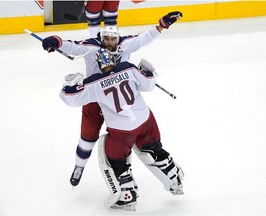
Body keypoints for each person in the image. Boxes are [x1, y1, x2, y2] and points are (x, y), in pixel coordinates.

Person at [42, 11, 183, 187]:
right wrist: (57, 42)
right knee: (88, 136)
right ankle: (79, 167)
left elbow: (144, 38)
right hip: (93, 97)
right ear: (101, 38)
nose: (109, 43)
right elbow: (73, 47)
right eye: (106, 39)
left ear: (118, 39)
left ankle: (123, 170)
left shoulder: (126, 44)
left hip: (109, 98)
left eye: (112, 39)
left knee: (121, 136)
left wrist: (161, 26)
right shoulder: (91, 47)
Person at [59, 48, 184, 210]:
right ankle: (175, 179)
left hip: (122, 131)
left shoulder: (94, 82)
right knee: (154, 149)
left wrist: (70, 83)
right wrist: (146, 71)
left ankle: (127, 196)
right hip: (146, 120)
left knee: (115, 161)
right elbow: (149, 83)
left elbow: (70, 98)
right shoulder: (128, 68)